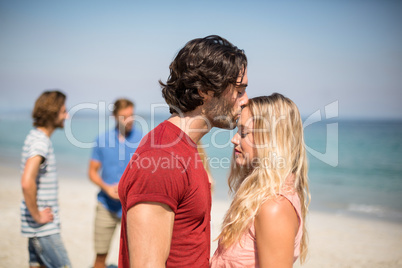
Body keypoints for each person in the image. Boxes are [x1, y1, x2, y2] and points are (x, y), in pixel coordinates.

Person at [118, 35, 249, 268]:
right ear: (204, 91)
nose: (245, 100)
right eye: (238, 91)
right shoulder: (161, 160)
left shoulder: (184, 148)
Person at [210, 93, 310, 267]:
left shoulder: (273, 207)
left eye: (244, 132)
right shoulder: (259, 198)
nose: (234, 139)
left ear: (270, 140)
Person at [88, 98, 142, 268]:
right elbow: (92, 172)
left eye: (132, 115)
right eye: (124, 116)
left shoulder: (144, 139)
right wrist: (106, 187)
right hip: (106, 206)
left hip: (134, 207)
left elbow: (149, 173)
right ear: (114, 117)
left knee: (135, 259)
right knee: (100, 257)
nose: (129, 120)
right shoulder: (102, 139)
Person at [20, 90, 71, 268]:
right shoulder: (40, 142)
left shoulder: (34, 136)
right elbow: (27, 181)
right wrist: (38, 215)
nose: (67, 115)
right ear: (52, 112)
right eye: (64, 111)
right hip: (44, 229)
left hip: (35, 228)